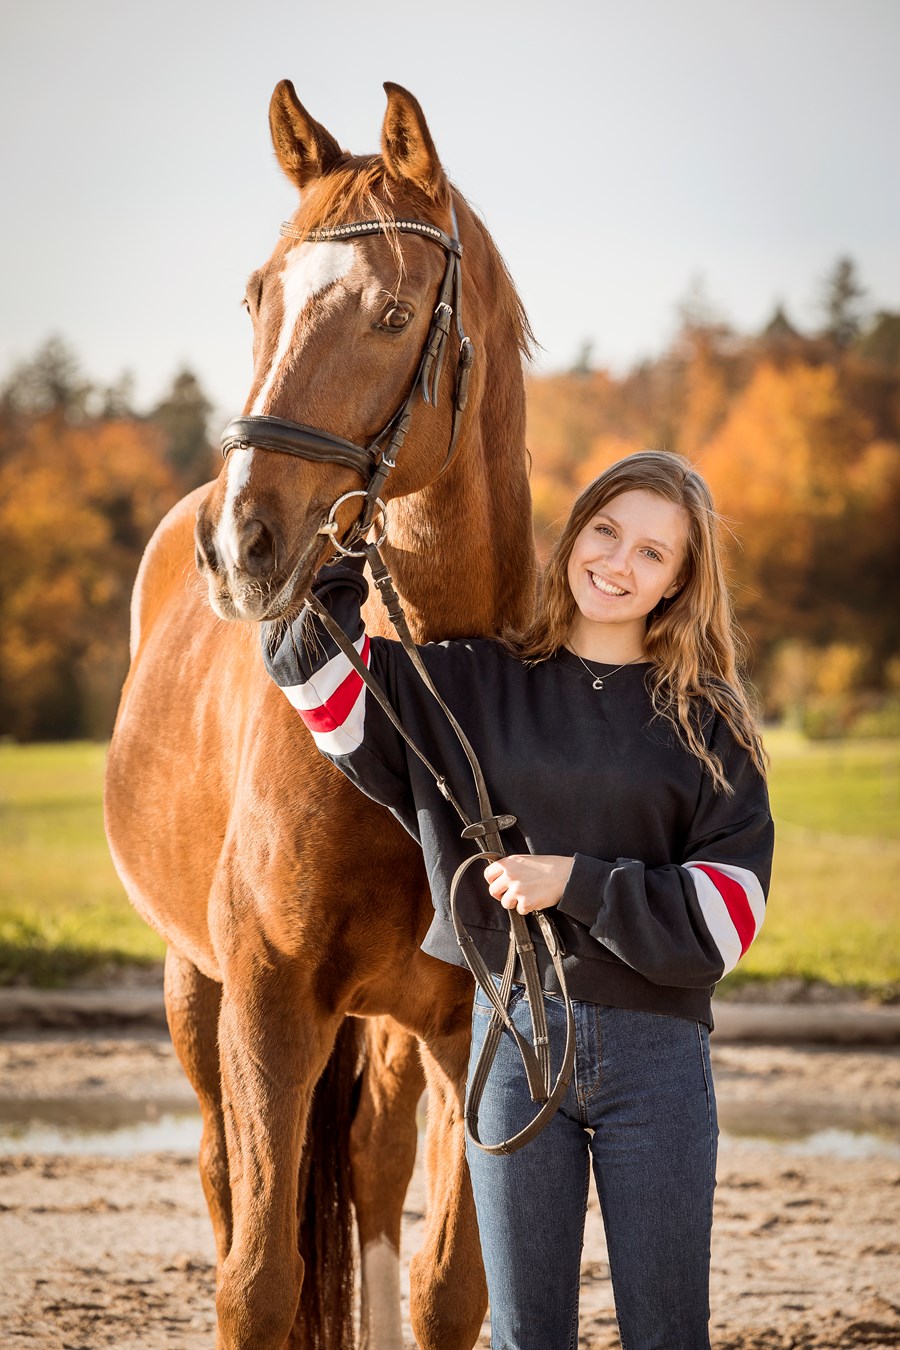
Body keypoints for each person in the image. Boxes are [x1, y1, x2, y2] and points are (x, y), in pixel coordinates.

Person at [261, 450, 774, 1350]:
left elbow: (726, 920)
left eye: (654, 553)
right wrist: (340, 535)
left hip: (657, 1067)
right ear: (574, 533)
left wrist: (574, 882)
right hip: (511, 1047)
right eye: (606, 531)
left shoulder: (709, 721)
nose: (618, 563)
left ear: (682, 583)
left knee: (667, 1333)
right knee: (525, 1335)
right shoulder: (471, 683)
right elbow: (320, 678)